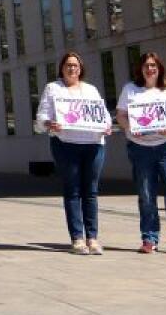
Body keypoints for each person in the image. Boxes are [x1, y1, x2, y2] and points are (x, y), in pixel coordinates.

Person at [115, 52, 166, 255]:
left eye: (154, 65)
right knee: (146, 194)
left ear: (160, 68)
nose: (150, 69)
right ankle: (149, 239)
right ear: (140, 69)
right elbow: (121, 116)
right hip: (140, 148)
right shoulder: (130, 89)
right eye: (146, 65)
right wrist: (130, 127)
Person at [35, 52, 110, 255]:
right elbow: (41, 119)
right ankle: (77, 238)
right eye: (68, 65)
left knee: (91, 192)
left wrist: (107, 126)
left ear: (81, 68)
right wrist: (49, 123)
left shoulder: (91, 90)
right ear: (61, 68)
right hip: (66, 145)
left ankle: (92, 238)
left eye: (75, 65)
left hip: (93, 145)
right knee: (73, 191)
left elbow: (103, 116)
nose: (72, 69)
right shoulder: (53, 88)